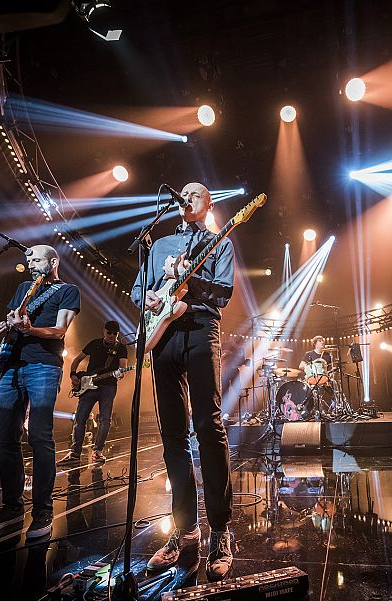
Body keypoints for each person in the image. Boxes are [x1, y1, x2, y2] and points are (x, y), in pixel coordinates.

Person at [131, 182, 235, 581]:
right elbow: (139, 288)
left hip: (201, 328)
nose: (187, 198)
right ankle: (184, 529)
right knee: (173, 435)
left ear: (208, 205)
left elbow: (223, 292)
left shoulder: (218, 242)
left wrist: (191, 288)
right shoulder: (157, 244)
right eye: (184, 194)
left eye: (196, 194)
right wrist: (152, 301)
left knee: (208, 425)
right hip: (164, 337)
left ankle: (221, 531)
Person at [0, 245, 80, 539]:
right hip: (11, 365)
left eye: (35, 259)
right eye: (28, 259)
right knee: (4, 438)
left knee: (40, 436)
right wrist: (8, 326)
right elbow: (14, 323)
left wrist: (30, 329)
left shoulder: (68, 290)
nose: (30, 263)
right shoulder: (23, 287)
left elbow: (60, 331)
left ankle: (43, 511)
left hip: (43, 366)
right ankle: (11, 507)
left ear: (53, 261)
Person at [59, 320, 131, 464]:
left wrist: (121, 373)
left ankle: (97, 452)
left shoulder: (121, 348)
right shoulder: (94, 343)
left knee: (105, 420)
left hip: (108, 386)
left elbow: (123, 367)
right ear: (104, 331)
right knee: (80, 419)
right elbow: (77, 360)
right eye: (109, 333)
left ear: (118, 334)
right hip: (88, 386)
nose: (111, 336)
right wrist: (73, 375)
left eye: (115, 334)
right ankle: (74, 453)